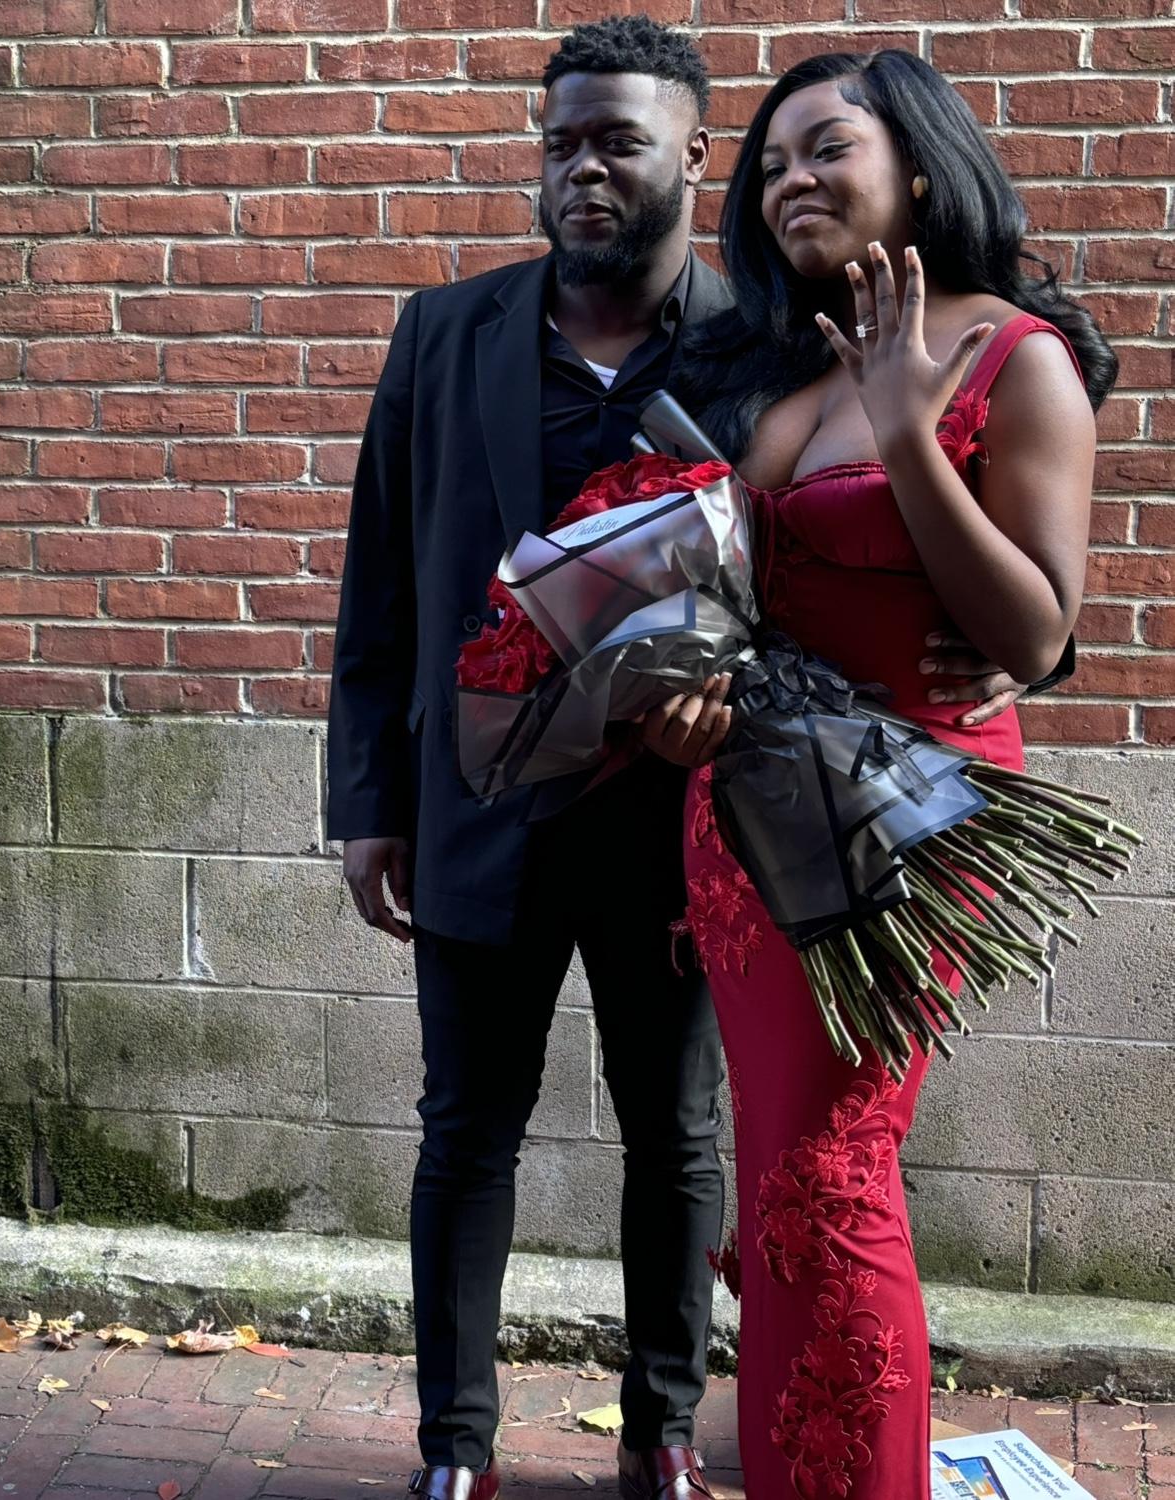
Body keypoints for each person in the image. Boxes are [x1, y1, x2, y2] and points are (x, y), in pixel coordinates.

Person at [328, 18, 1058, 1497]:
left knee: (682, 1141)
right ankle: (455, 1450)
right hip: (480, 811)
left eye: (618, 141)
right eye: (560, 143)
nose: (583, 169)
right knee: (464, 1134)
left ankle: (663, 1433)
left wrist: (1002, 655)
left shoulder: (757, 344)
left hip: (687, 813)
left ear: (686, 156)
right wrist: (367, 804)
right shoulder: (443, 334)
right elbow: (380, 590)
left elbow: (886, 556)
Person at [649, 49, 1115, 1500]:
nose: (790, 179)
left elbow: (1033, 631)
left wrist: (911, 430)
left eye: (827, 147)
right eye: (772, 162)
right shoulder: (775, 359)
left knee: (829, 1178)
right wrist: (673, 700)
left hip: (901, 825)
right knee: (782, 1174)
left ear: (917, 161)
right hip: (744, 816)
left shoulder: (1015, 359)